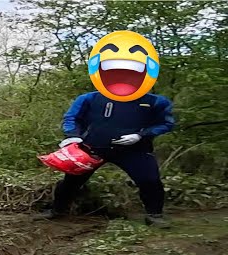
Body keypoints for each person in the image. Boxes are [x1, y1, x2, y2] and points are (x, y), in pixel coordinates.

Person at [45, 90, 175, 226]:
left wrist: (141, 135)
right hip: (92, 149)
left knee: (150, 180)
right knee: (71, 181)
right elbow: (71, 118)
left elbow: (166, 123)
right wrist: (72, 136)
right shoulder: (90, 98)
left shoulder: (155, 101)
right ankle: (57, 210)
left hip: (134, 150)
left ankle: (154, 215)